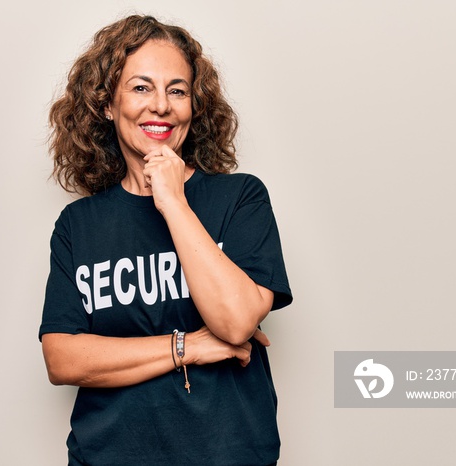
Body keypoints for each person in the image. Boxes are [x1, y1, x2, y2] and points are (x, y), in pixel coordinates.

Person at [40, 15, 292, 466]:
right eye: (140, 88)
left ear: (194, 106)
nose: (160, 105)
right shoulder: (78, 225)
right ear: (107, 106)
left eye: (177, 90)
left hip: (230, 455)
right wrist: (188, 346)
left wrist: (173, 201)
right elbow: (62, 358)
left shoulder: (240, 199)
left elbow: (235, 323)